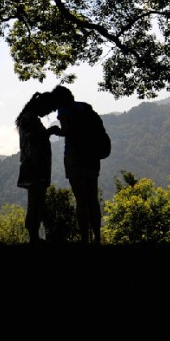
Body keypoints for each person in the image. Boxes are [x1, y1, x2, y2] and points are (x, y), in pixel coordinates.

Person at [47, 84, 103, 245]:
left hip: (75, 157)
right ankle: (97, 237)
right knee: (93, 198)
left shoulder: (63, 110)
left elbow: (66, 131)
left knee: (81, 199)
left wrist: (55, 131)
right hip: (92, 156)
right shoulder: (84, 107)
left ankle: (85, 238)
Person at [15, 91, 60, 245]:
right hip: (35, 166)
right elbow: (33, 139)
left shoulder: (28, 118)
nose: (47, 113)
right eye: (48, 109)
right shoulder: (29, 119)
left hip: (35, 166)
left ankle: (34, 237)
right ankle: (33, 237)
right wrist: (49, 132)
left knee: (36, 202)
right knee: (35, 202)